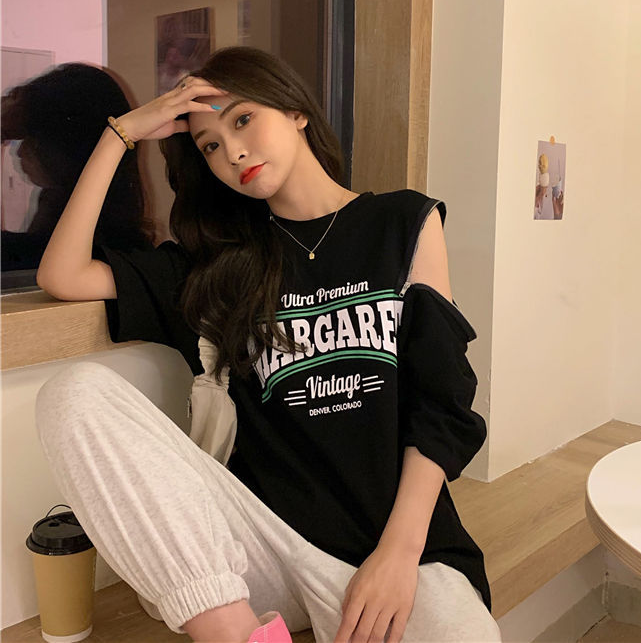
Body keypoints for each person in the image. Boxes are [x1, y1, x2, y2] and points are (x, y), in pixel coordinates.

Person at [34, 47, 501, 643]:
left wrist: (398, 556)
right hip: (262, 547)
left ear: (296, 110)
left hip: (396, 543)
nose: (232, 152)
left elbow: (442, 403)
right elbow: (63, 274)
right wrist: (120, 135)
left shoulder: (402, 223)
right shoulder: (214, 266)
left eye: (243, 119)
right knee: (73, 393)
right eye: (209, 145)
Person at [1, 63, 153, 273]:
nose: (18, 152)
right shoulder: (60, 205)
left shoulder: (89, 250)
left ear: (63, 144)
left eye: (31, 138)